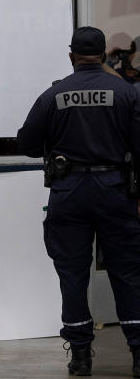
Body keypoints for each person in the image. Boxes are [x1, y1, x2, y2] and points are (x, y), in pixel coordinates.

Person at [17, 26, 140, 377]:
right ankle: (138, 353)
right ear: (103, 56)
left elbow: (26, 143)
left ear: (71, 56)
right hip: (115, 189)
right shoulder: (126, 93)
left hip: (69, 190)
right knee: (128, 272)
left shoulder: (54, 95)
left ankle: (81, 356)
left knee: (72, 275)